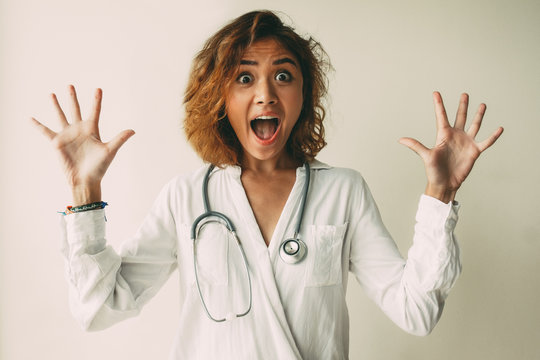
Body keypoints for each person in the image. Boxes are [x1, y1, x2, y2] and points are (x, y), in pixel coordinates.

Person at [31, 10, 503, 360]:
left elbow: (416, 312)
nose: (265, 93)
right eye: (243, 77)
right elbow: (97, 309)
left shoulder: (343, 192)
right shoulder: (187, 197)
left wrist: (440, 195)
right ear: (219, 97)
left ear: (303, 95)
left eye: (283, 75)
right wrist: (85, 192)